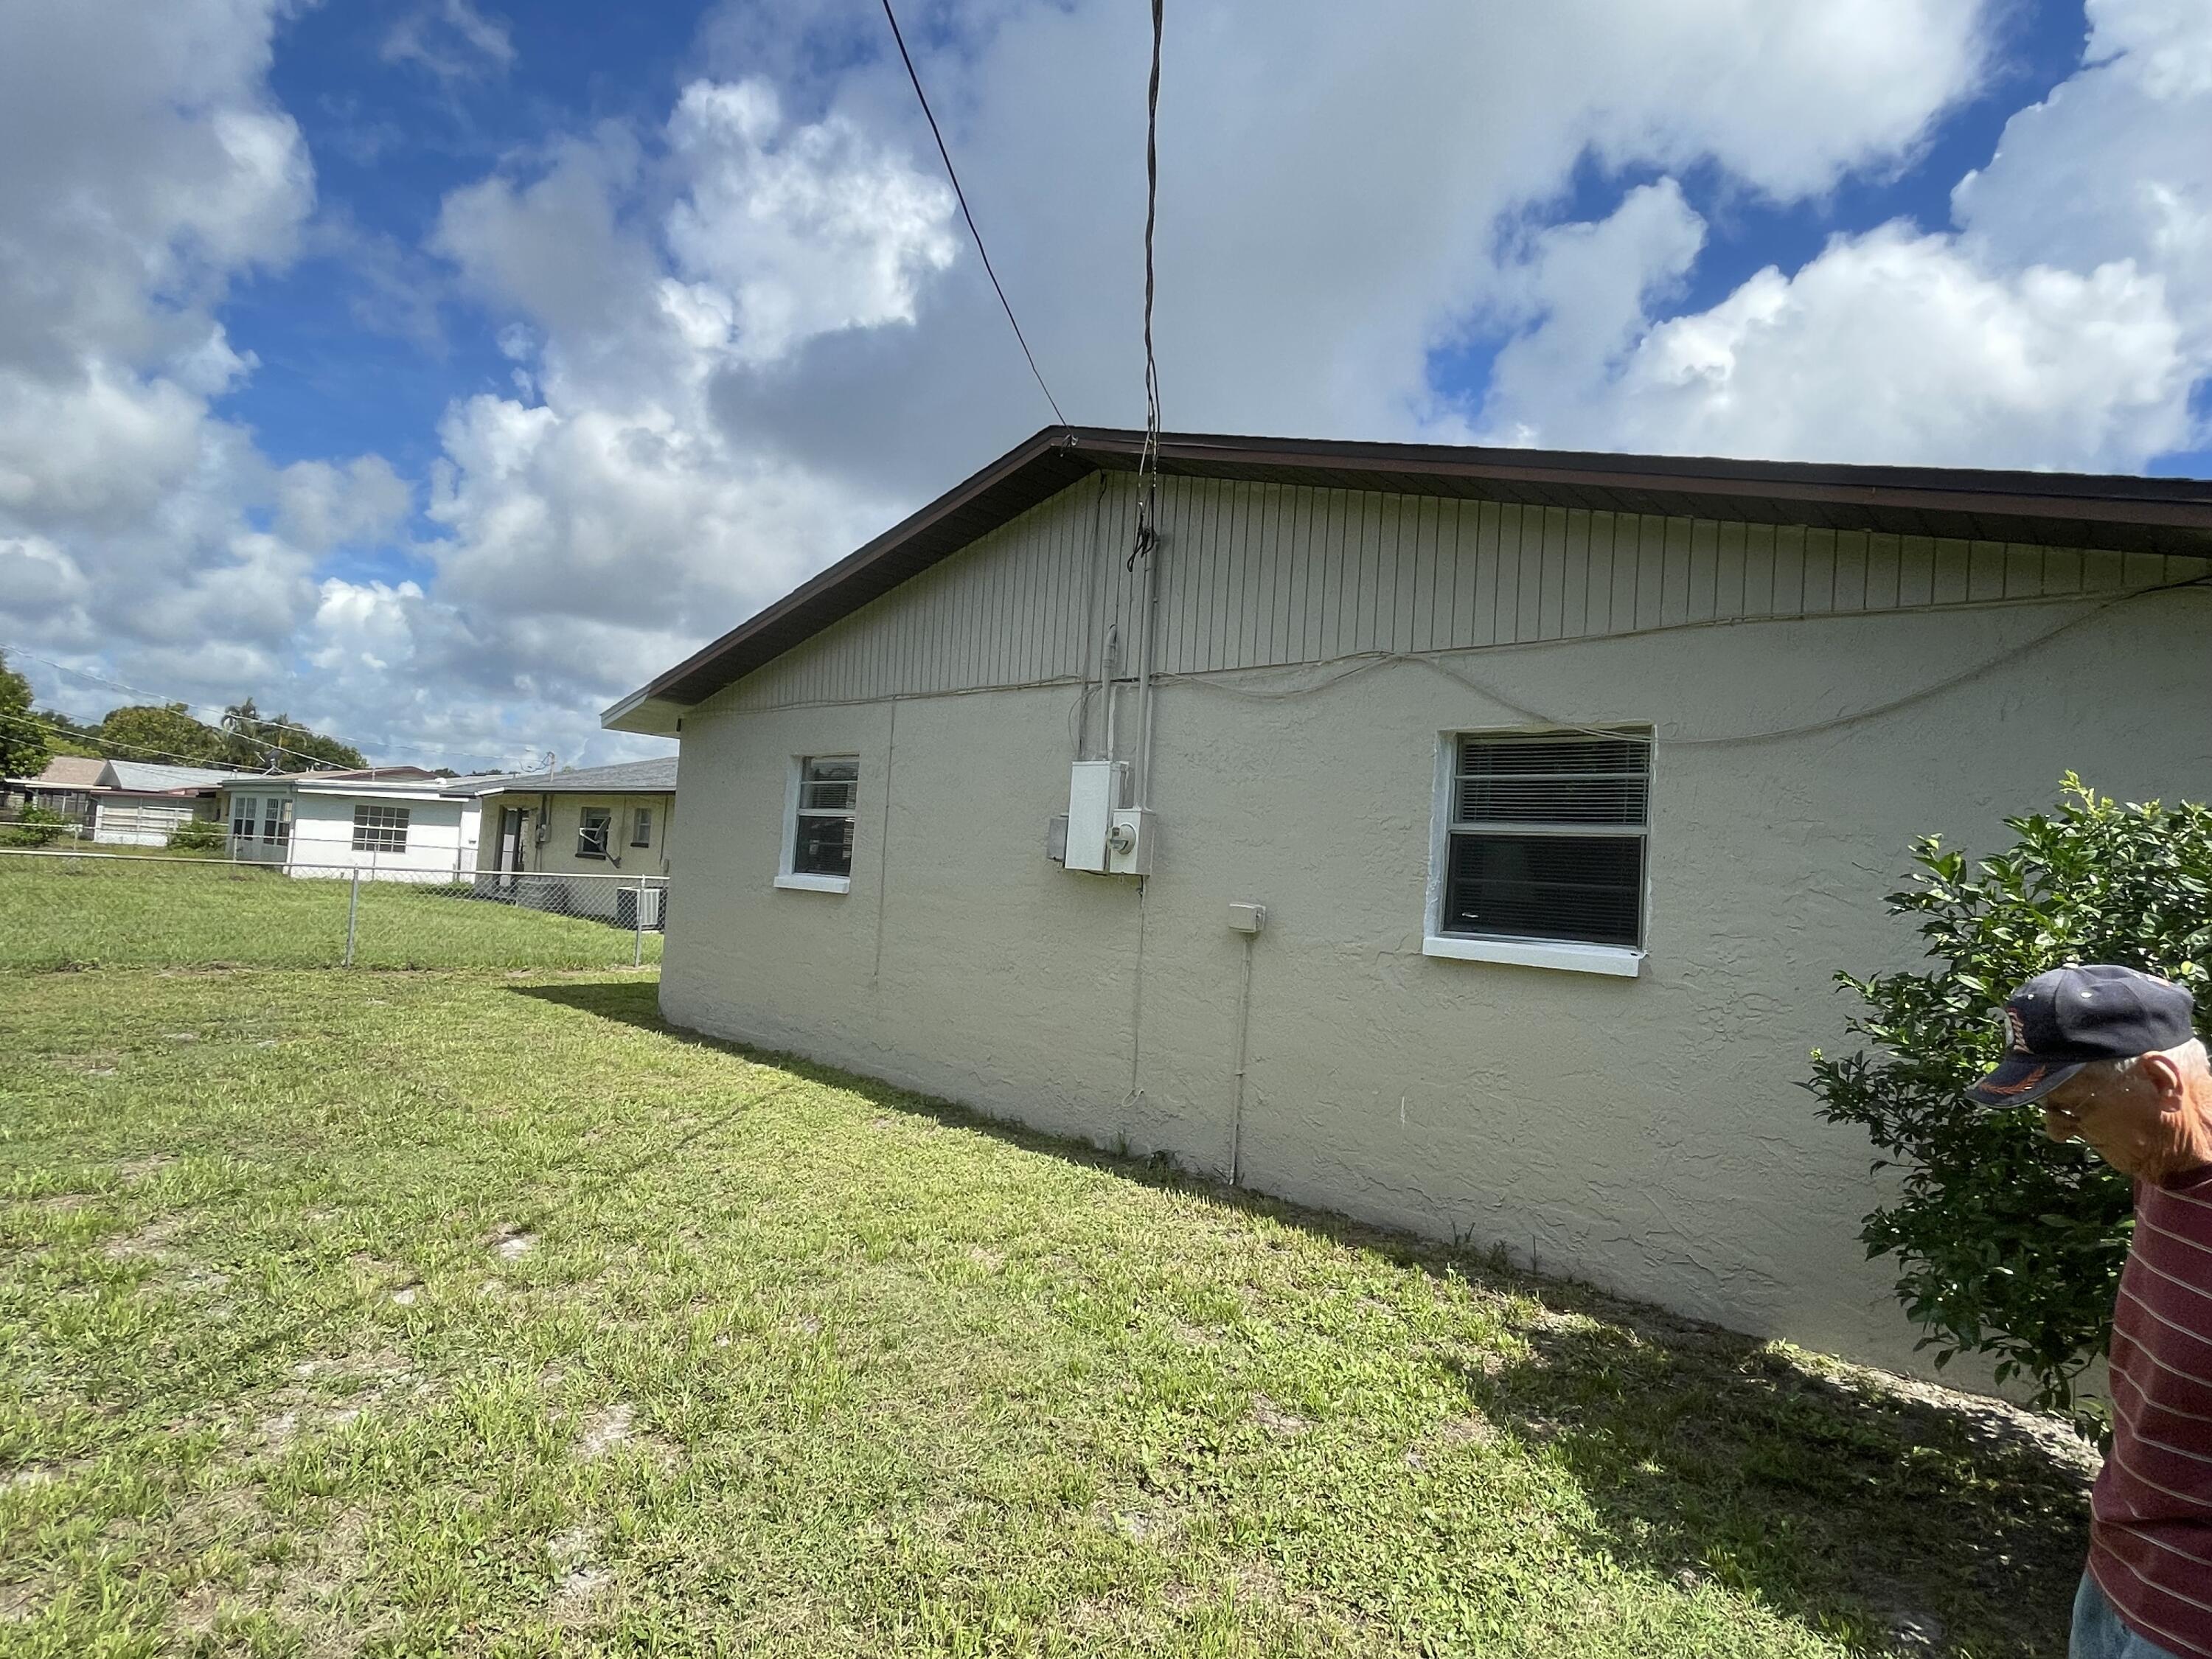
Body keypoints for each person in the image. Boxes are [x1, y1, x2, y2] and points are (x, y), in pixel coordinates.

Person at [1968, 964, 2212, 1659]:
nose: (2055, 1134)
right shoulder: (2163, 1164)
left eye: (2071, 1108)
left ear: (2163, 1081)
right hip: (2117, 1564)